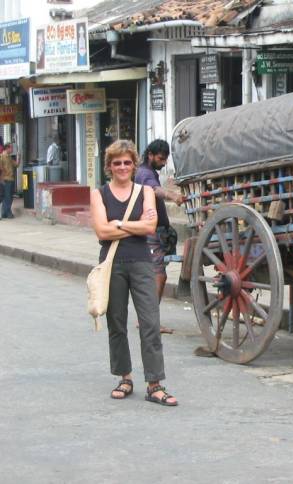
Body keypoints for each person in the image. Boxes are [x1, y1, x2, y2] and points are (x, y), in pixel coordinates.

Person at [89, 139, 178, 406]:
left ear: (134, 164)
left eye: (127, 162)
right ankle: (124, 377)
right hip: (113, 263)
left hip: (141, 263)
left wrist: (118, 223)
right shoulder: (99, 194)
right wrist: (134, 225)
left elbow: (150, 227)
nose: (123, 167)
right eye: (117, 163)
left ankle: (155, 383)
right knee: (117, 322)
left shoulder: (144, 191)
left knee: (150, 322)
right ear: (109, 166)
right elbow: (101, 231)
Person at [134, 139, 183, 334]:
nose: (163, 163)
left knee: (153, 275)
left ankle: (145, 318)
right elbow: (154, 190)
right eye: (161, 159)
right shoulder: (145, 174)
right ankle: (150, 321)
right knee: (158, 275)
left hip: (156, 231)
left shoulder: (147, 172)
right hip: (151, 232)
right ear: (151, 156)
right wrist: (173, 196)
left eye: (165, 160)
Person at [0, 143, 19, 219]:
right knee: (7, 197)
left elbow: (16, 165)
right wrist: (1, 179)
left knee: (9, 196)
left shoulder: (9, 158)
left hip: (10, 179)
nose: (12, 150)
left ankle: (4, 213)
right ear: (7, 148)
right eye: (11, 148)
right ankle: (8, 213)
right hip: (5, 179)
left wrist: (18, 158)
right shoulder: (2, 157)